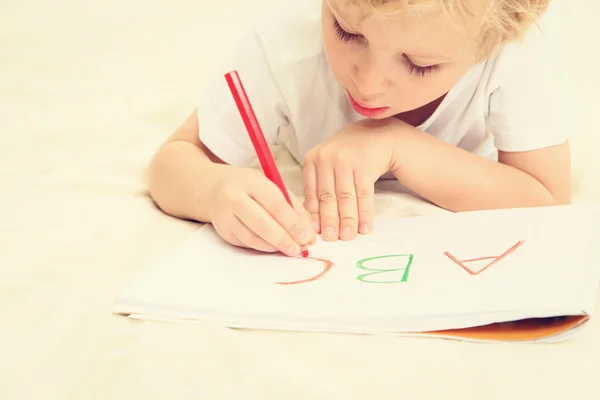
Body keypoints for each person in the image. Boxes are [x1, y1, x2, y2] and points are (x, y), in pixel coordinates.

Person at [148, 0, 572, 258]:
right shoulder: (285, 43)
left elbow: (546, 197)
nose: (367, 83)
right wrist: (213, 190)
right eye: (346, 31)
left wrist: (396, 142)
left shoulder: (512, 50)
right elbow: (173, 161)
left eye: (418, 64)